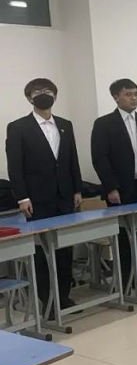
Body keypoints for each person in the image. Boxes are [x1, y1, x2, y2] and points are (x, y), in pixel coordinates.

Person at [5, 78, 83, 313]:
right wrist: (22, 197)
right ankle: (47, 300)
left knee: (64, 249)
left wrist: (77, 189)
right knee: (42, 251)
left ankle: (64, 296)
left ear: (55, 96)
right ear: (29, 97)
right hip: (36, 199)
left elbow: (72, 159)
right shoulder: (18, 127)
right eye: (37, 91)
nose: (43, 94)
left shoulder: (65, 124)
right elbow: (15, 166)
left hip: (64, 196)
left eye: (48, 90)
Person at [91, 79, 137, 288]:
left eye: (136, 94)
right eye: (128, 94)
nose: (133, 98)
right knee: (123, 236)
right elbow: (100, 158)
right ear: (116, 97)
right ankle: (125, 279)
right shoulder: (104, 124)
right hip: (120, 189)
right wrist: (111, 187)